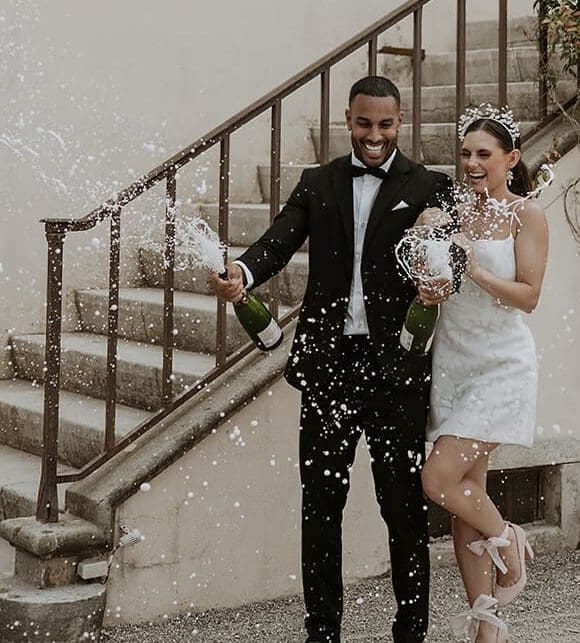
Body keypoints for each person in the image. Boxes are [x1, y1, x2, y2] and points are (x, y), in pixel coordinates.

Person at [211, 75, 453, 643]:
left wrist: (439, 267)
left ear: (401, 121)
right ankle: (322, 631)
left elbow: (450, 258)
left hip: (396, 371)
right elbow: (275, 243)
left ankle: (410, 631)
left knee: (403, 508)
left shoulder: (430, 187)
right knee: (321, 507)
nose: (375, 135)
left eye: (386, 124)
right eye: (364, 123)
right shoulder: (316, 183)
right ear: (348, 118)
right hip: (329, 369)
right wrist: (241, 274)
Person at [414, 104, 549, 643]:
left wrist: (474, 268)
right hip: (452, 362)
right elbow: (436, 286)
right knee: (464, 496)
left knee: (438, 480)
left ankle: (509, 537)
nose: (472, 163)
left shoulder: (526, 215)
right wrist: (428, 262)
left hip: (501, 366)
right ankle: (486, 630)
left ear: (511, 160)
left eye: (484, 154)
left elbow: (529, 296)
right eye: (466, 153)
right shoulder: (449, 210)